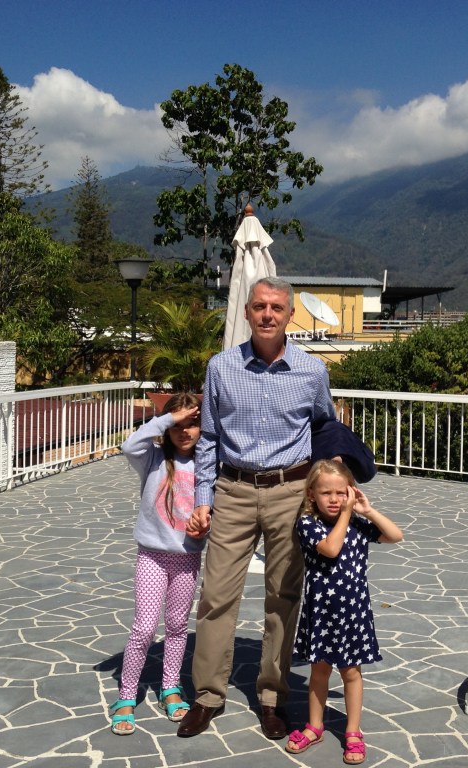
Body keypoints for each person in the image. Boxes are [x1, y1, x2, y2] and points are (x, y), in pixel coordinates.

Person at [177, 276, 337, 740]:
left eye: (276, 307)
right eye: (260, 306)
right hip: (233, 490)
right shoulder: (221, 367)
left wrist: (328, 497)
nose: (268, 314)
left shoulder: (312, 371)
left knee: (283, 599)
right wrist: (203, 499)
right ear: (247, 312)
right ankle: (208, 696)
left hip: (291, 493)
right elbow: (209, 439)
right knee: (215, 597)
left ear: (290, 315)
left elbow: (325, 430)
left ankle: (272, 697)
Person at [285, 459, 403, 765]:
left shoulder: (357, 522)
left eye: (341, 492)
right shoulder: (307, 523)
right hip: (321, 612)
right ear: (311, 494)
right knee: (319, 670)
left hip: (353, 613)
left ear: (350, 492)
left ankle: (352, 731)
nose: (335, 499)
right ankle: (315, 725)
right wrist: (348, 515)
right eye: (326, 493)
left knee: (351, 672)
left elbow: (395, 535)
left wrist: (368, 511)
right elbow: (331, 548)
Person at [109, 393, 204, 735]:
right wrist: (167, 419)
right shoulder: (151, 458)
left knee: (177, 626)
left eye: (191, 424)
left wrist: (206, 525)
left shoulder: (207, 466)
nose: (184, 431)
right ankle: (126, 695)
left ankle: (170, 688)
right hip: (152, 555)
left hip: (187, 557)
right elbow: (128, 445)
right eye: (177, 425)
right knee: (145, 628)